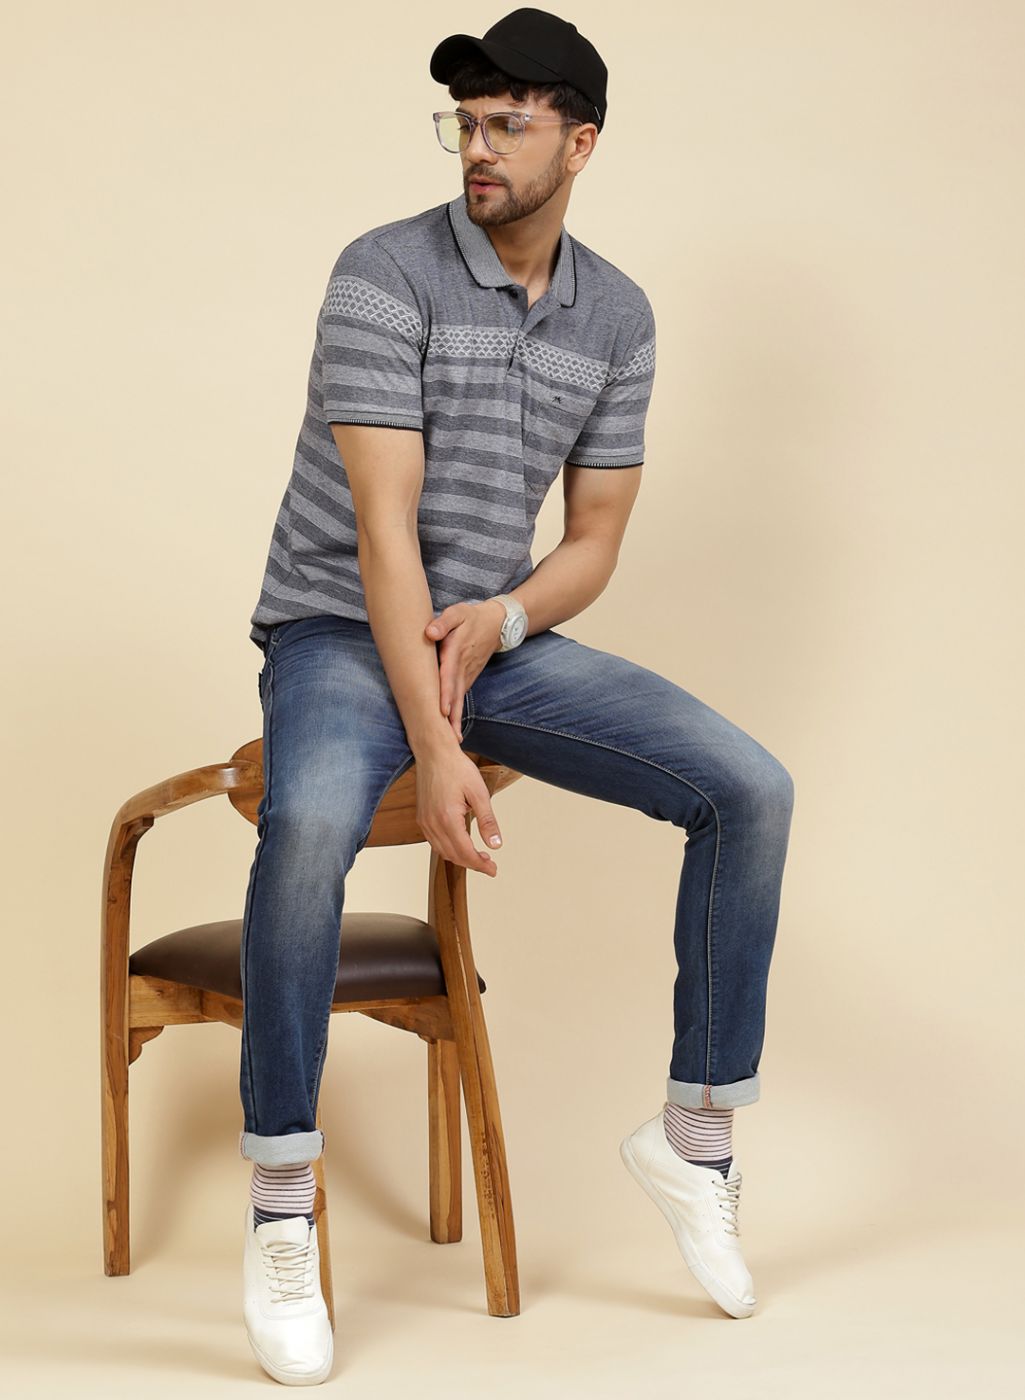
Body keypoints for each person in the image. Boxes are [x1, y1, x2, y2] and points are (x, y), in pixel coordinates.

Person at [239, 7, 795, 1383]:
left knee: (748, 789)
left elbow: (593, 539)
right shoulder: (383, 272)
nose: (477, 147)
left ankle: (696, 1137)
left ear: (580, 143)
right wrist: (436, 752)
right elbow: (382, 537)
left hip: (491, 637)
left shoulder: (618, 317)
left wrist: (505, 619)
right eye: (465, 123)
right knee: (309, 826)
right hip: (339, 628)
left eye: (509, 122)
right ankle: (281, 1202)